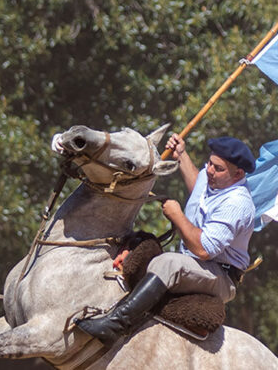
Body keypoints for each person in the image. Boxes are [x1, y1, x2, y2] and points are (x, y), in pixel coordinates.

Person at [76, 134, 257, 345]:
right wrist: (182, 154)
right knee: (139, 243)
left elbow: (204, 250)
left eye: (218, 168)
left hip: (221, 275)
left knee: (168, 263)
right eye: (209, 163)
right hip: (199, 265)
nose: (209, 170)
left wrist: (177, 215)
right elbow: (198, 186)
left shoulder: (237, 203)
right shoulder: (216, 183)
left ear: (239, 174)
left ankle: (115, 326)